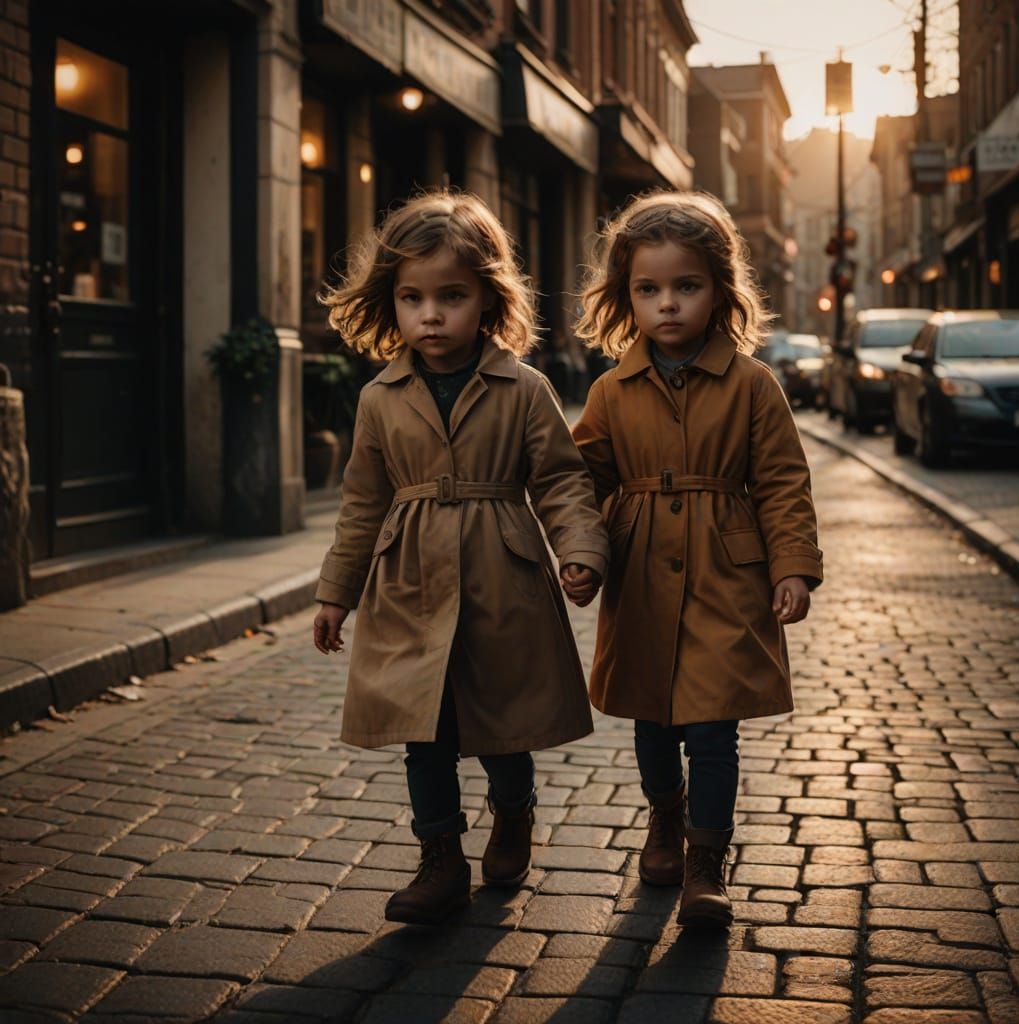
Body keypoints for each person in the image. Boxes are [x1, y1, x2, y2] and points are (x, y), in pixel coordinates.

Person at [312, 189, 609, 927]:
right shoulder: (380, 398)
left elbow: (563, 480)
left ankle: (514, 813)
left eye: (451, 295)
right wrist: (334, 593)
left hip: (500, 580)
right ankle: (439, 859)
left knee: (502, 726)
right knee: (425, 730)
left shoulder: (525, 388)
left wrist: (580, 550)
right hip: (409, 582)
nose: (431, 315)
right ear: (392, 304)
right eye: (412, 298)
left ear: (487, 299)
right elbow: (361, 503)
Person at [572, 190, 823, 929]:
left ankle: (707, 860)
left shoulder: (752, 385)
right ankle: (664, 817)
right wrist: (582, 554)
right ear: (626, 298)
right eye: (648, 290)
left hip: (726, 574)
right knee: (652, 721)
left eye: (687, 286)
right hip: (641, 571)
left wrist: (791, 567)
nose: (668, 304)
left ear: (718, 289)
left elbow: (781, 480)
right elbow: (584, 481)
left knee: (714, 727)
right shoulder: (610, 390)